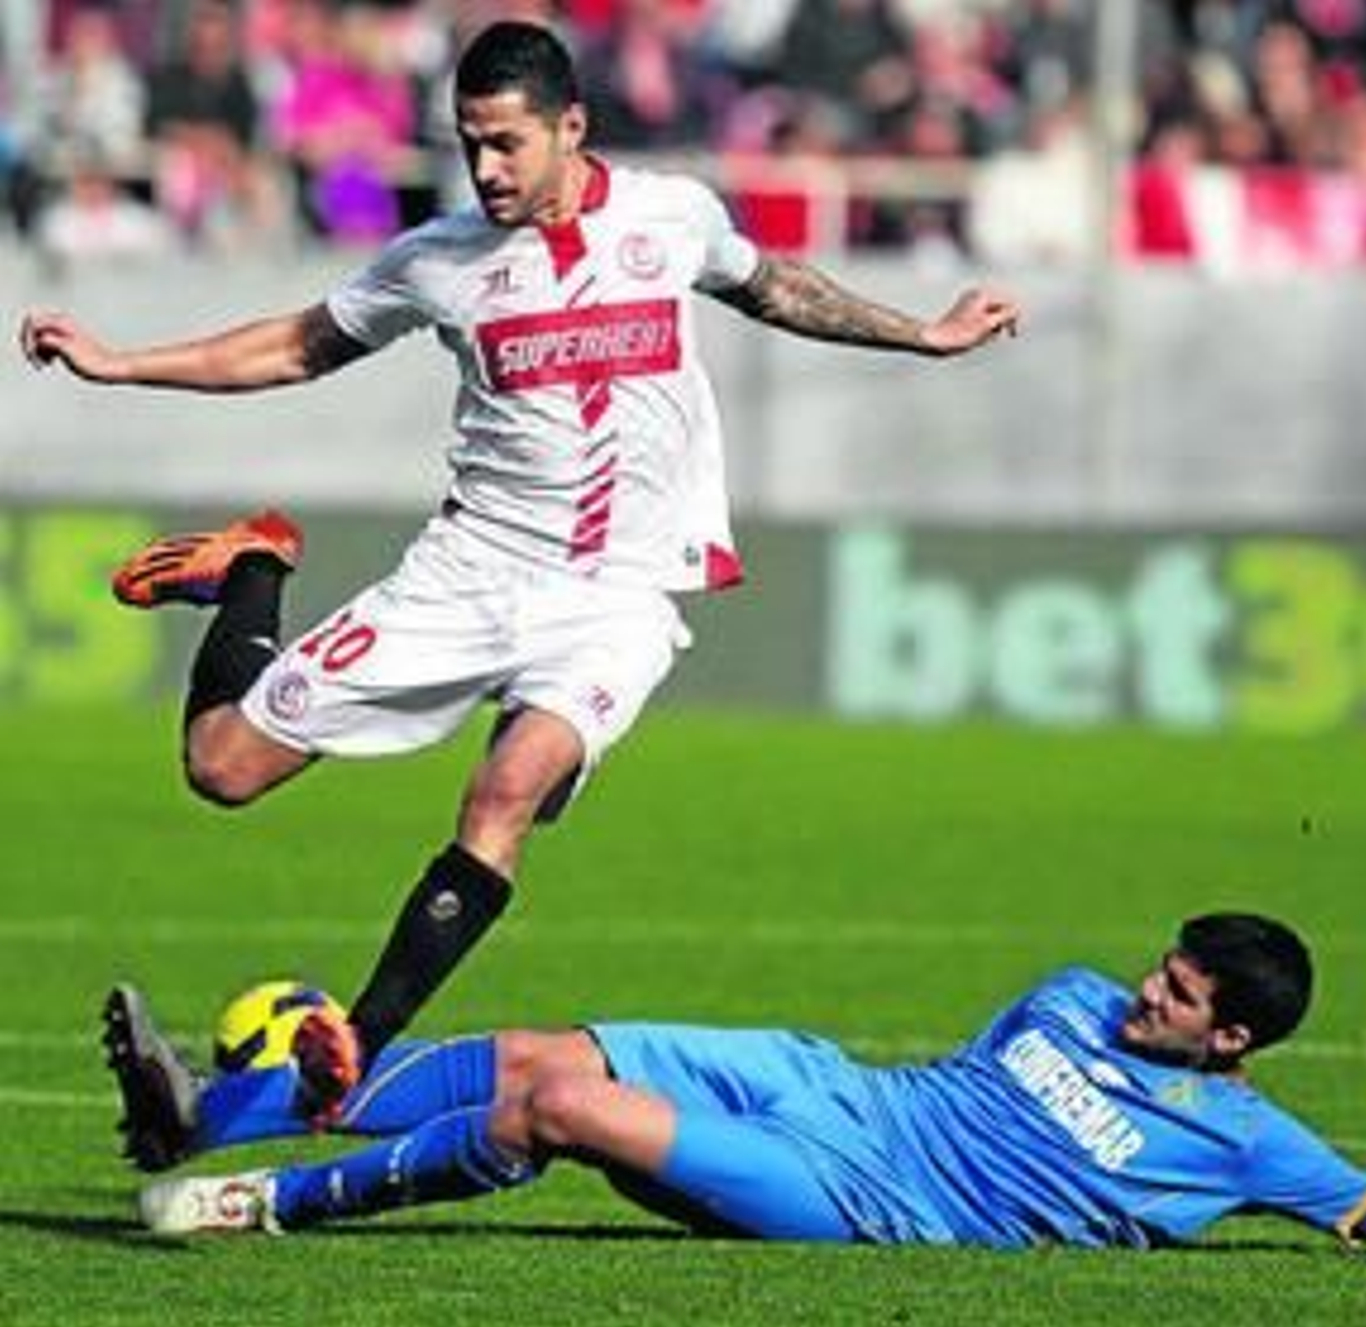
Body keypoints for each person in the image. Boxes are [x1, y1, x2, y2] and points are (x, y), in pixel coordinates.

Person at [19, 18, 1021, 1131]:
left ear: (571, 128)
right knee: (222, 768)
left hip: (617, 597)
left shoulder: (669, 216)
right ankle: (258, 565)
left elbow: (776, 286)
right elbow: (296, 344)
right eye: (468, 145)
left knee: (505, 792)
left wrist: (924, 336)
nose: (486, 170)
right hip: (470, 570)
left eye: (506, 144)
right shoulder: (438, 259)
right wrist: (122, 363)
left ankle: (352, 1046)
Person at [105, 911, 1366, 1257]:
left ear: (1233, 1046)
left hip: (865, 1198)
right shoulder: (1072, 997)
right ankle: (231, 1108)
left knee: (551, 1116)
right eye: (1166, 966)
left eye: (1183, 997)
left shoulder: (1252, 1146)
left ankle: (253, 1196)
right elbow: (965, 1071)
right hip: (841, 1089)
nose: (1148, 988)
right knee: (538, 1050)